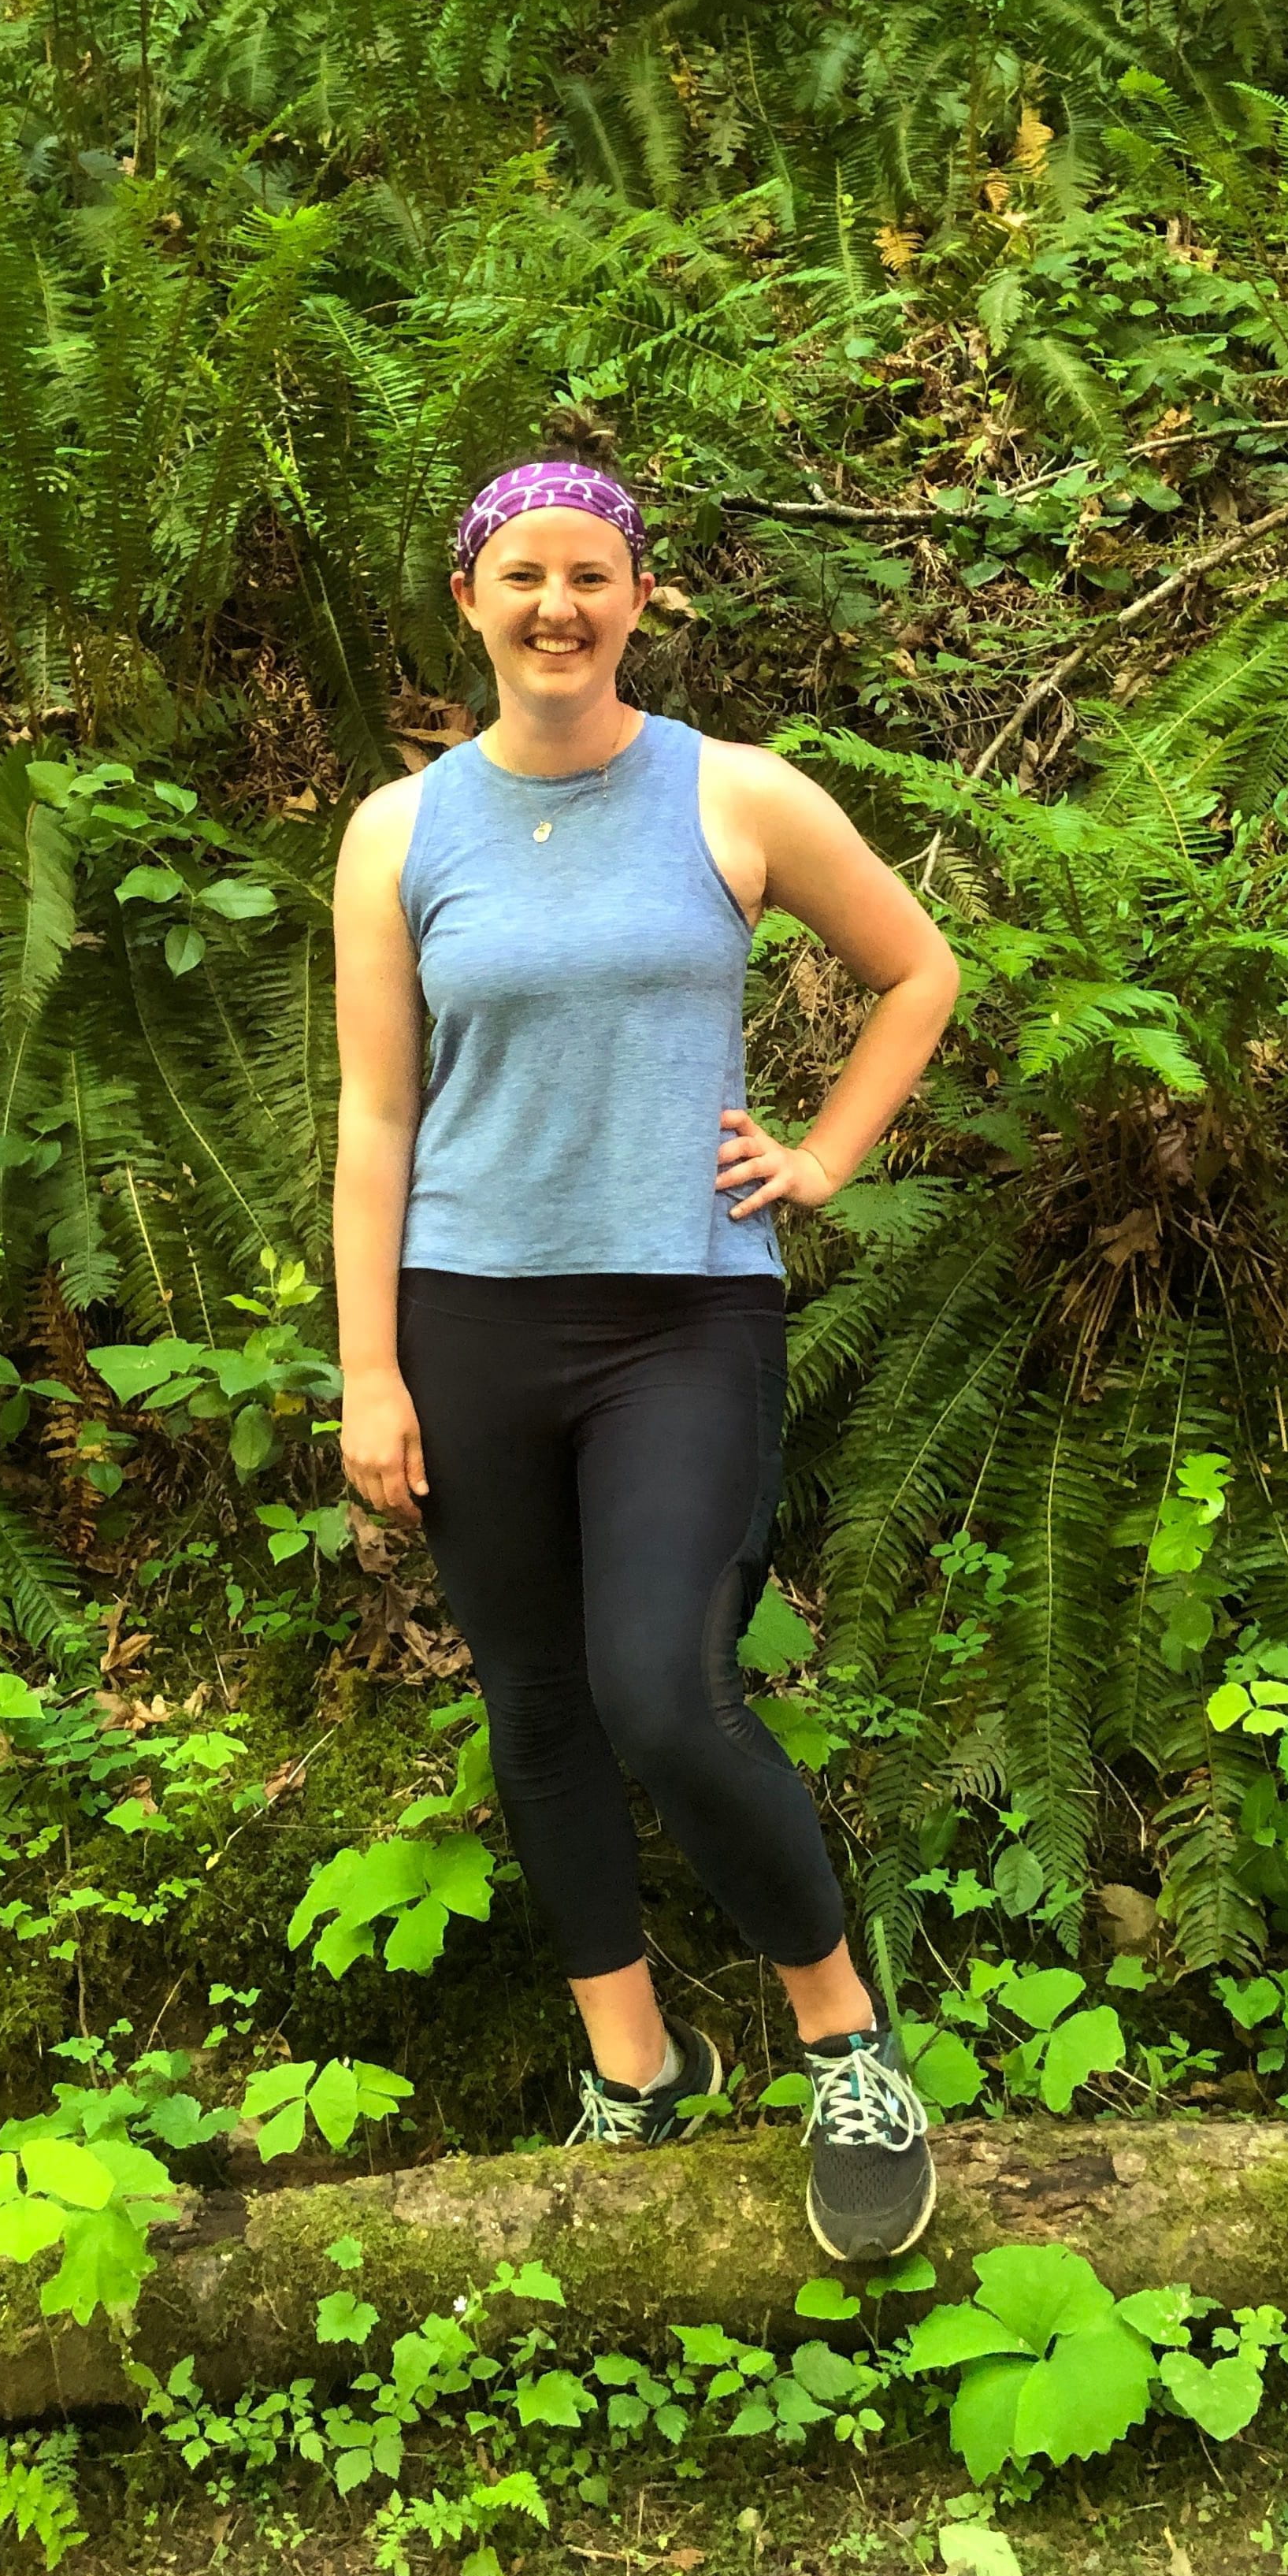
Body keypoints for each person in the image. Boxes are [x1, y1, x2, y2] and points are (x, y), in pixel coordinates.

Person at [329, 459, 961, 2261]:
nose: (558, 606)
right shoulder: (399, 832)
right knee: (534, 1701)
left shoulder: (733, 793)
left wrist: (822, 1159)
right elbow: (378, 1114)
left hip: (684, 1310)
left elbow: (918, 972)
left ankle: (843, 2038)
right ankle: (636, 2062)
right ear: (469, 597)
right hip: (468, 1315)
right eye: (523, 574)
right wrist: (368, 1369)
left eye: (591, 575)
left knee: (666, 1693)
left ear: (639, 596)